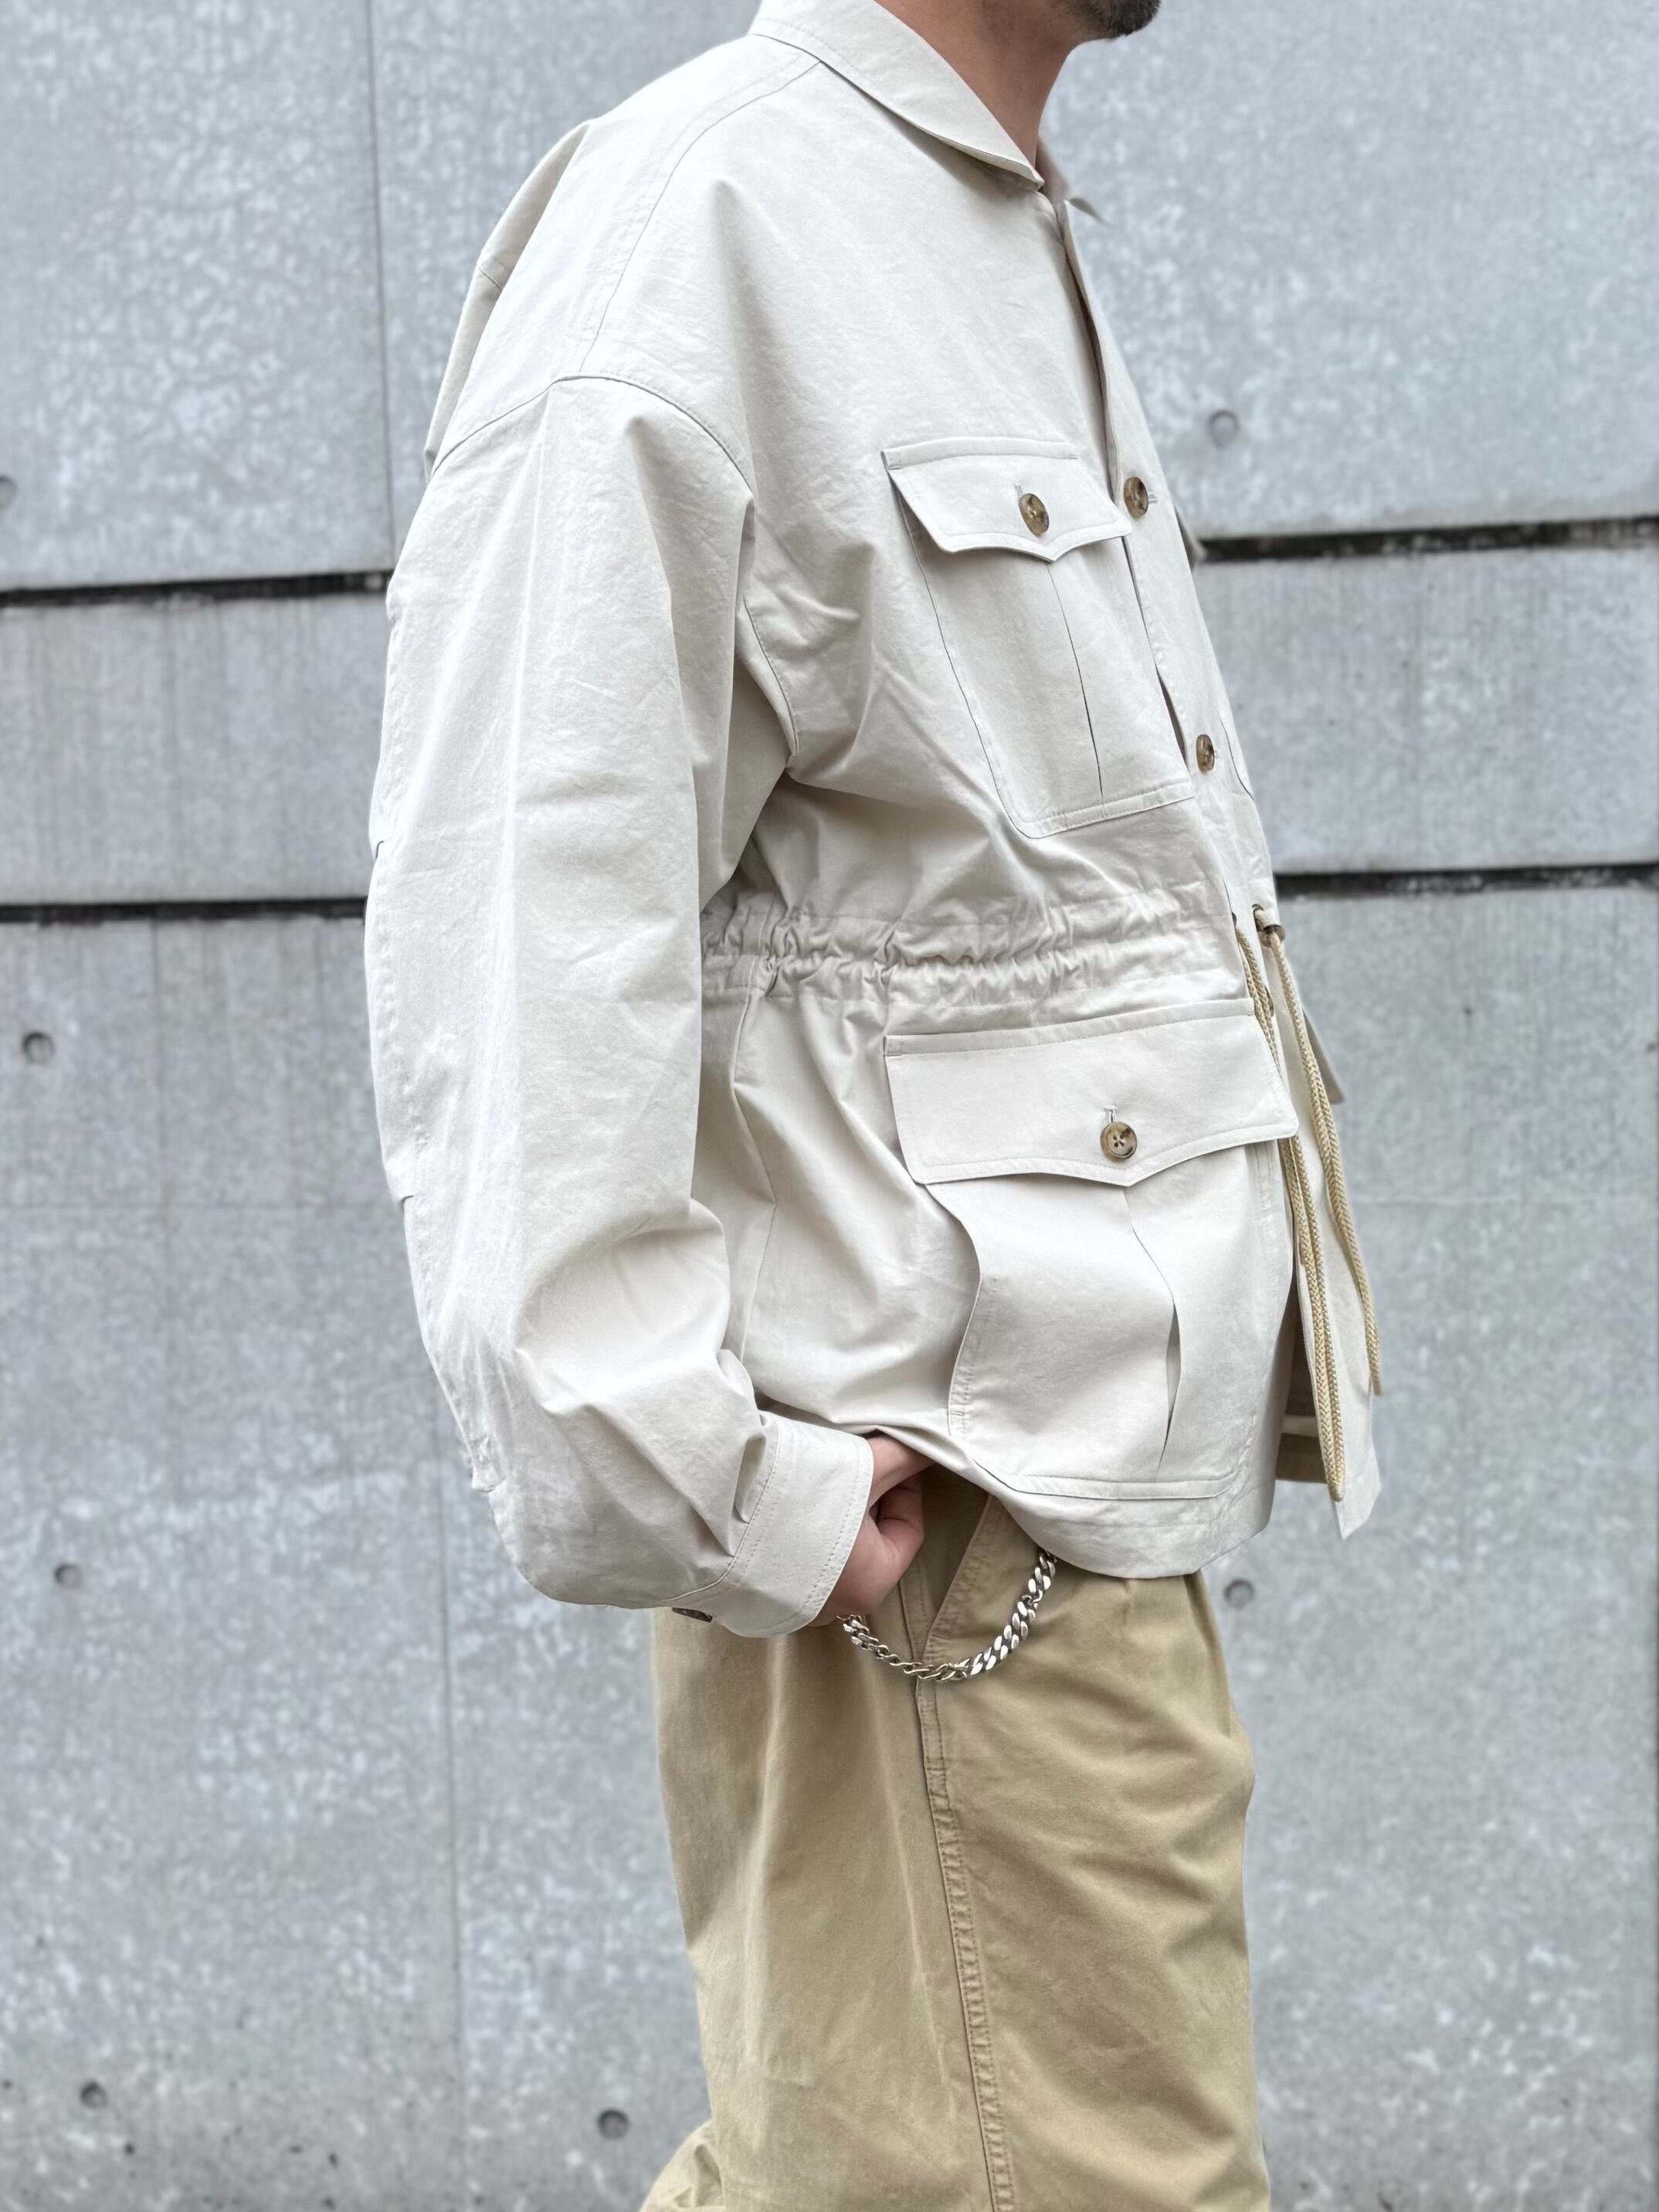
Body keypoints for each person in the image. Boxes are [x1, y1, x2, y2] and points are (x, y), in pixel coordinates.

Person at [365, 0, 1382, 2201]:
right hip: (935, 1533)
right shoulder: (704, 226)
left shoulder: (949, 221)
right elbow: (524, 908)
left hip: (1046, 1491)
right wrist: (717, 1481)